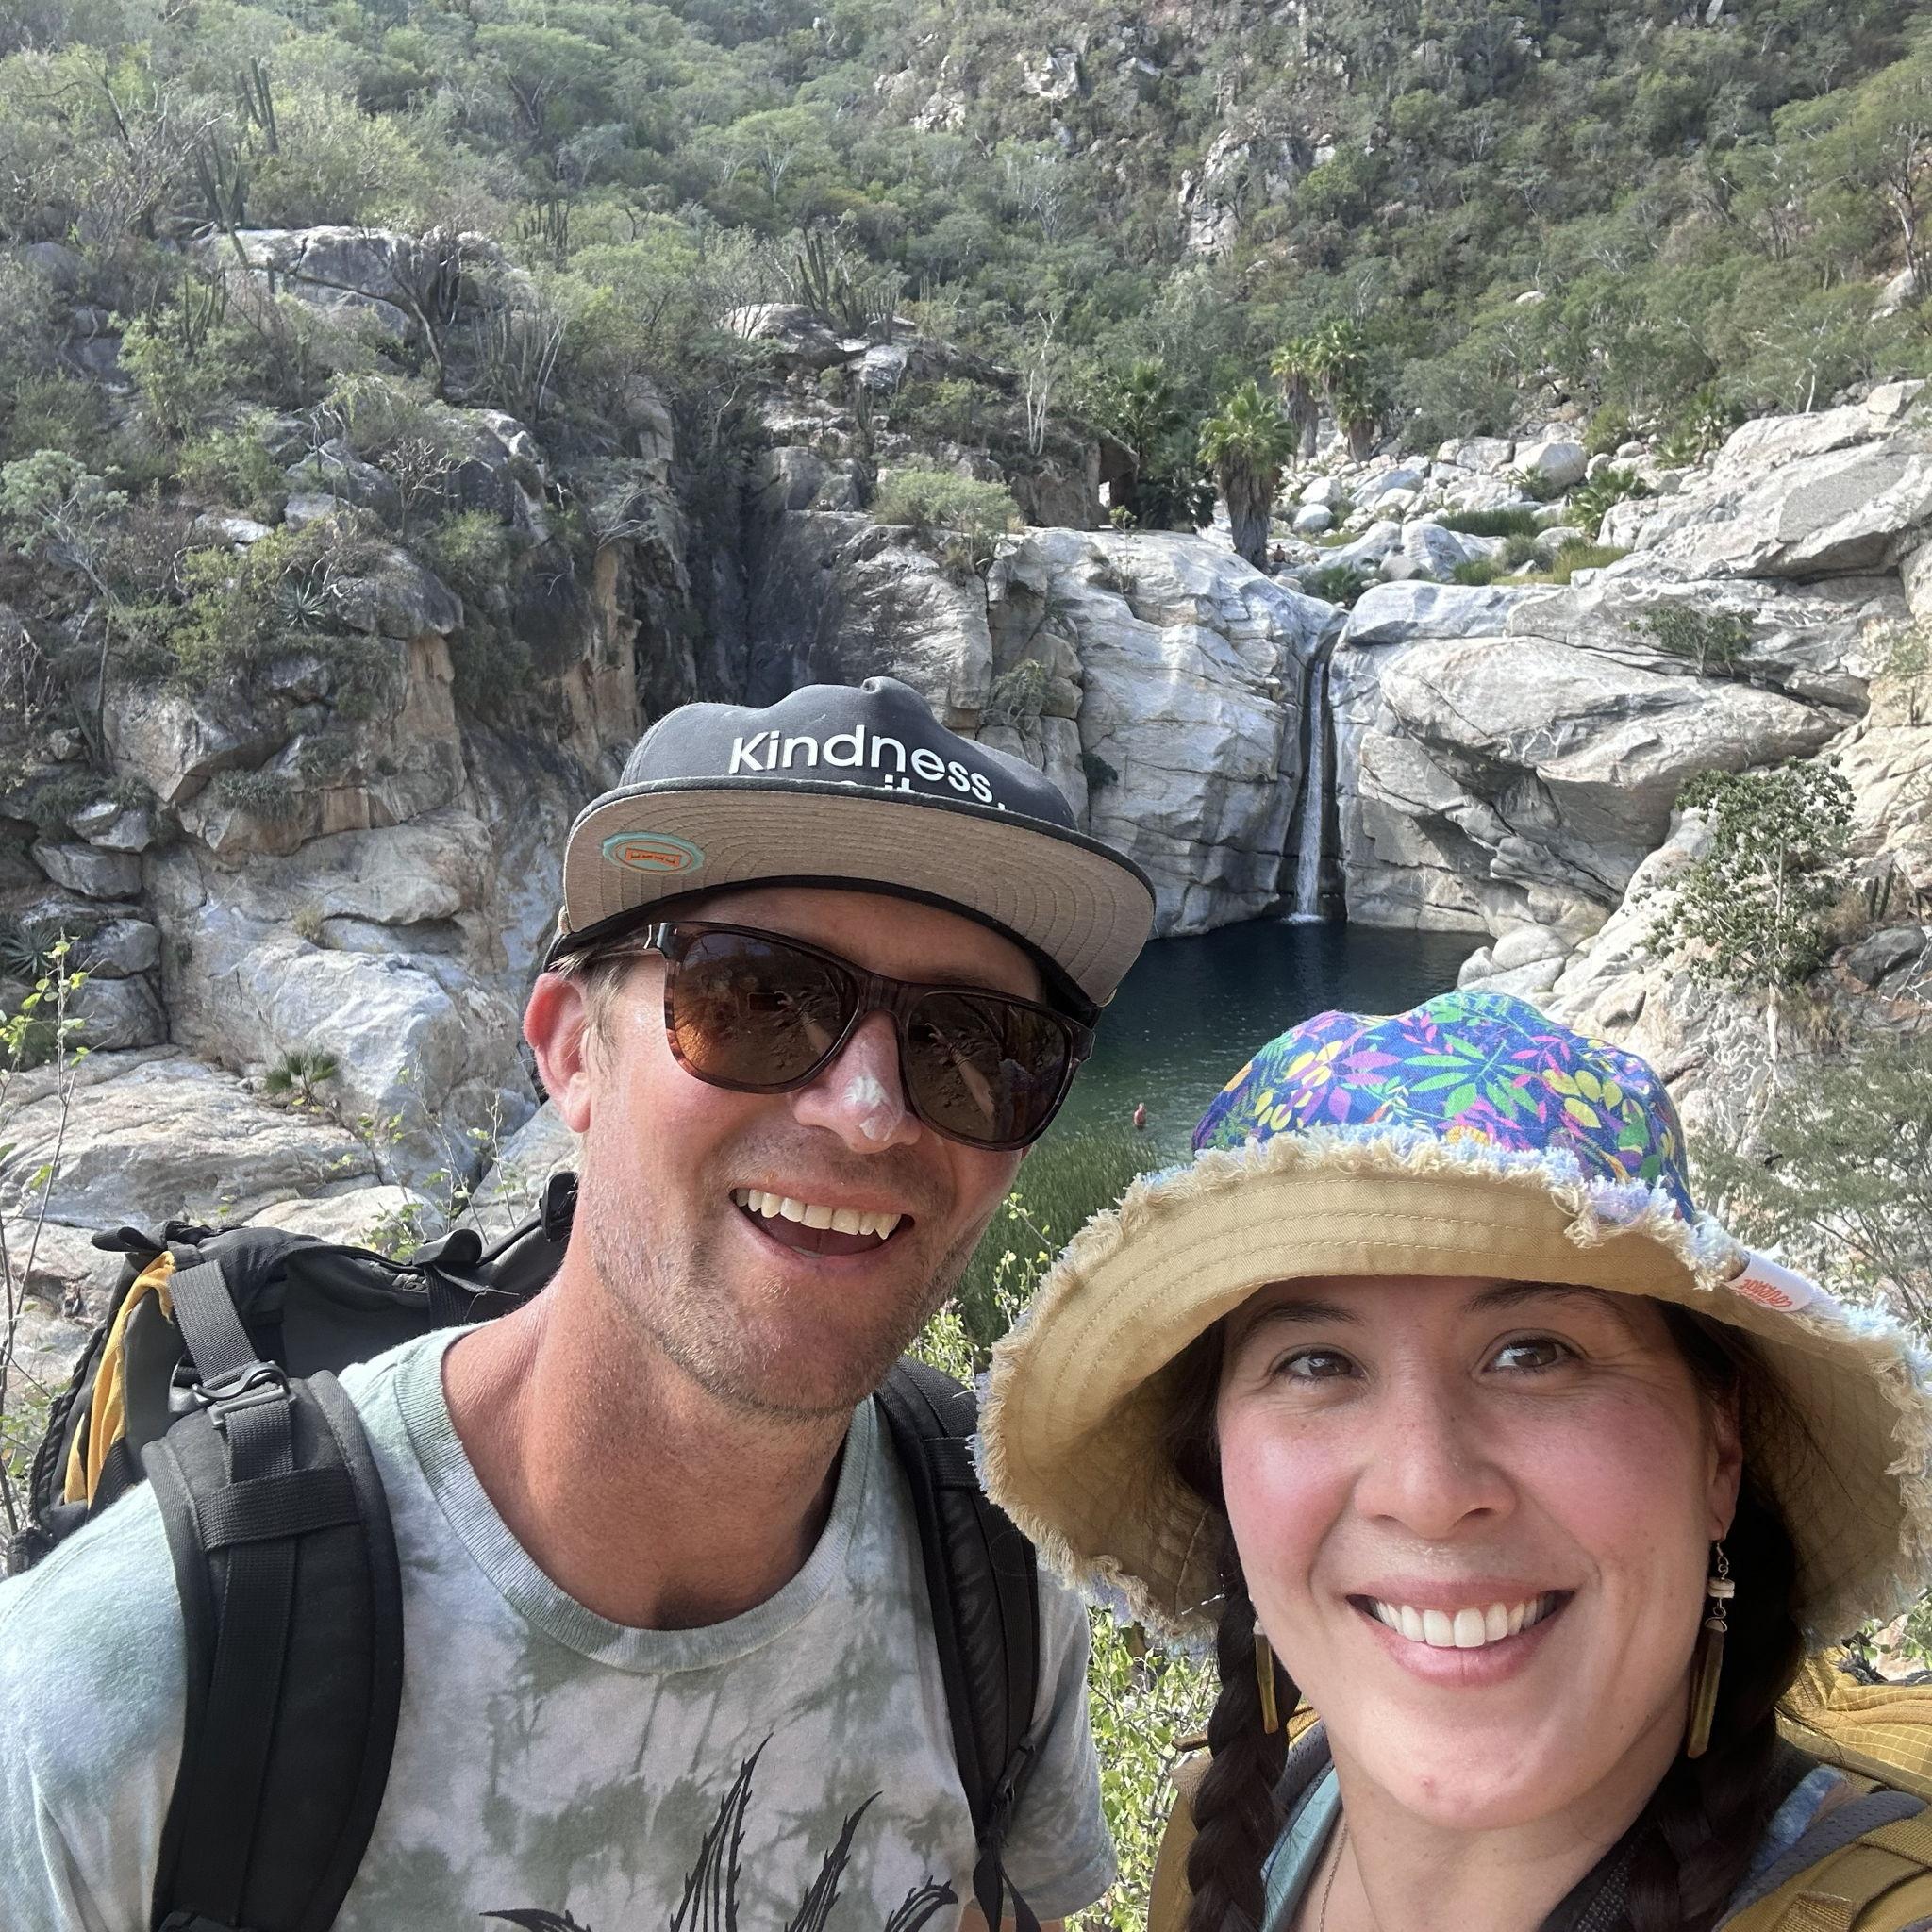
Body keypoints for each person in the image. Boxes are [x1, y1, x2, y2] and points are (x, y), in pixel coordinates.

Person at [0, 675, 1157, 1932]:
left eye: (977, 1046)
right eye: (759, 998)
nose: (869, 1110)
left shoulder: (988, 1577)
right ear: (567, 1050)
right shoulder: (121, 1689)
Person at [982, 990, 1932, 1932]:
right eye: (1316, 1363)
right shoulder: (1218, 1843)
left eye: (1534, 1352)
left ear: (1717, 1450)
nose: (1427, 1491)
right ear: (1217, 1463)